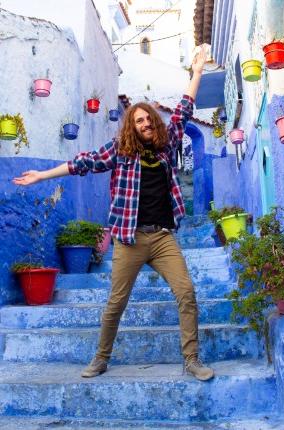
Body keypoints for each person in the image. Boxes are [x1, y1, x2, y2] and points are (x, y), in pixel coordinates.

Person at [13, 44, 214, 381]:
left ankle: (191, 359)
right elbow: (83, 163)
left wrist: (196, 72)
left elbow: (183, 108)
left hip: (162, 238)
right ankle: (101, 358)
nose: (146, 123)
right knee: (115, 303)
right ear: (131, 127)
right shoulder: (120, 152)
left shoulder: (167, 145)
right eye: (139, 121)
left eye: (149, 118)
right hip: (129, 239)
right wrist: (42, 175)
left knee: (186, 292)